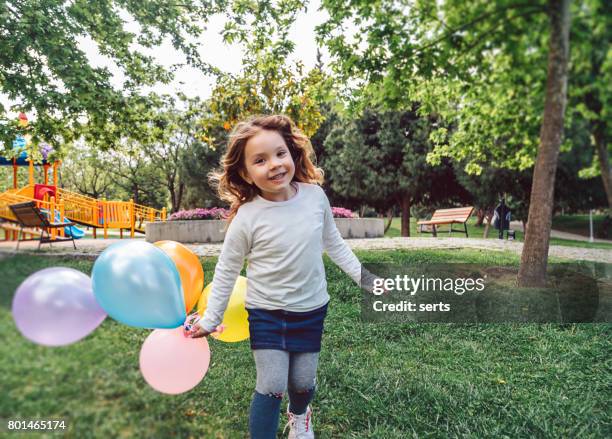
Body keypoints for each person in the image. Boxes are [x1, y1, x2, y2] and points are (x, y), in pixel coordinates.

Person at [185, 114, 373, 439]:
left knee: (302, 384)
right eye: (260, 160)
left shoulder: (315, 198)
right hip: (267, 313)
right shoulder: (247, 218)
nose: (274, 164)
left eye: (279, 153)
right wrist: (211, 317)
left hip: (311, 310)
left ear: (292, 153)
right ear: (245, 172)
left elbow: (335, 244)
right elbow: (228, 269)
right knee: (271, 386)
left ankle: (300, 416)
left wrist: (367, 280)